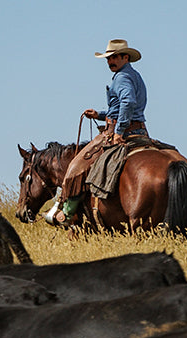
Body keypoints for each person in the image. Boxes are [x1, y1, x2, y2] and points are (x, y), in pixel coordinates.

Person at [48, 39, 148, 226]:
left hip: (119, 132)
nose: (110, 61)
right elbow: (122, 107)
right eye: (108, 58)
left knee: (77, 166)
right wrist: (100, 115)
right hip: (140, 130)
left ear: (126, 57)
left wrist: (118, 132)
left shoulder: (121, 77)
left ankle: (67, 213)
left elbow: (128, 102)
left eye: (115, 57)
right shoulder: (134, 75)